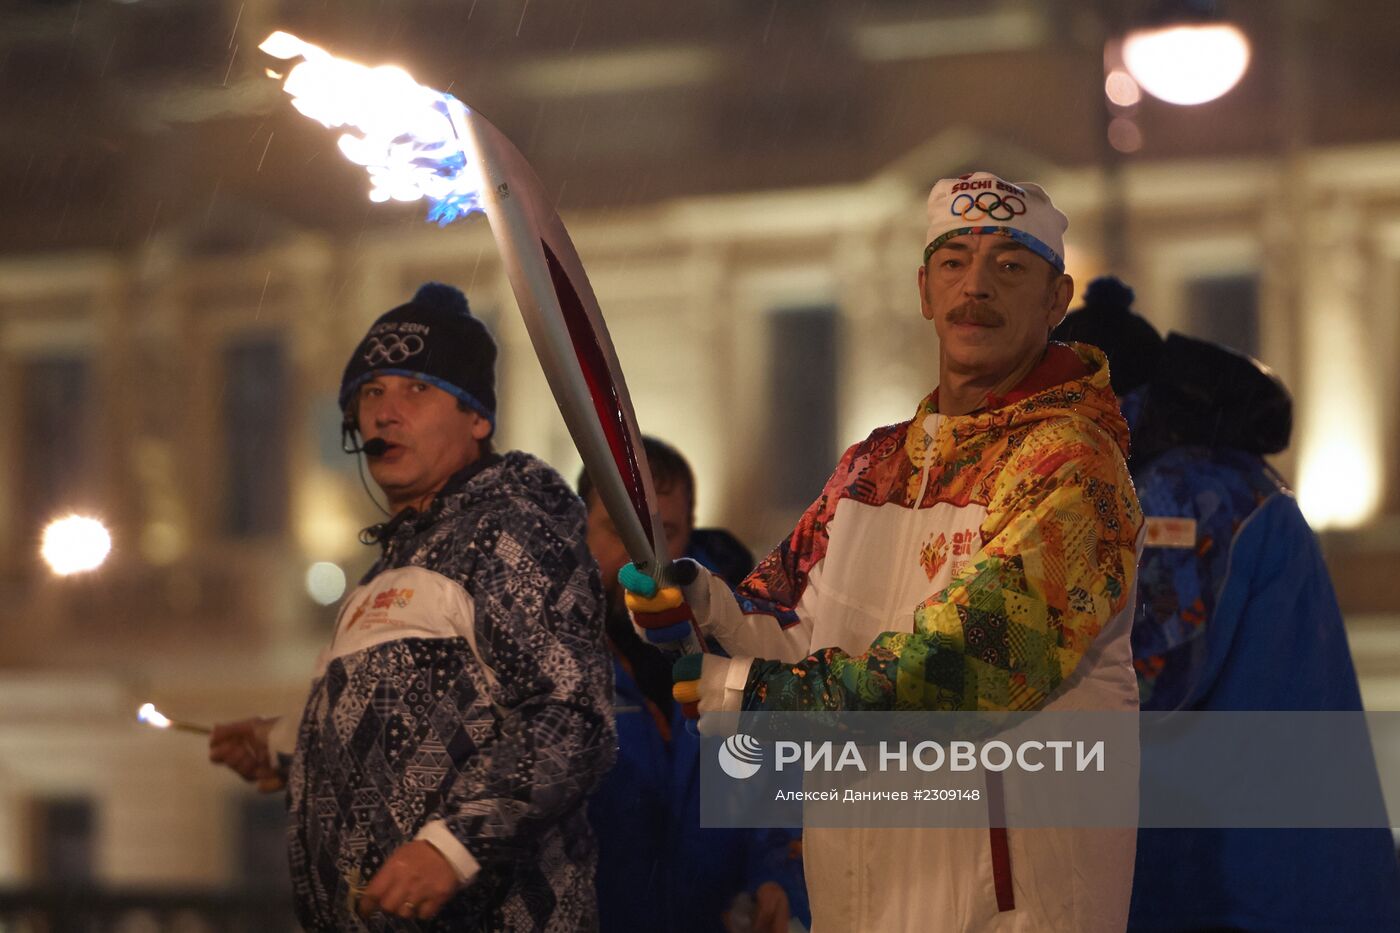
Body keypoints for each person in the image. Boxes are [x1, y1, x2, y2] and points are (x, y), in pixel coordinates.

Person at [627, 172, 1144, 931]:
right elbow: (787, 629)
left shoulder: (1072, 468)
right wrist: (698, 607)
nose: (976, 287)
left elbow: (967, 670)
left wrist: (761, 700)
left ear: (1056, 298)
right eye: (953, 263)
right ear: (924, 290)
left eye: (1009, 265)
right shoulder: (873, 467)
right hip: (862, 902)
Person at [209, 282, 616, 931]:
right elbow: (417, 762)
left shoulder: (509, 533)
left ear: (477, 417)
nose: (384, 413)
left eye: (415, 388)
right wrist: (291, 767)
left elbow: (570, 720)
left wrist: (450, 849)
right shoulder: (383, 575)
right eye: (371, 393)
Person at [1054, 276, 1400, 931]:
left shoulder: (1180, 498)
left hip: (1249, 889)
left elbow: (1144, 684)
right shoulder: (1206, 480)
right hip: (1271, 879)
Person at [580, 436, 809, 933]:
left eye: (663, 534)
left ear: (689, 534)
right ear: (581, 531)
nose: (639, 558)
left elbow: (779, 786)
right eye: (618, 529)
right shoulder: (553, 655)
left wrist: (777, 882)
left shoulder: (744, 637)